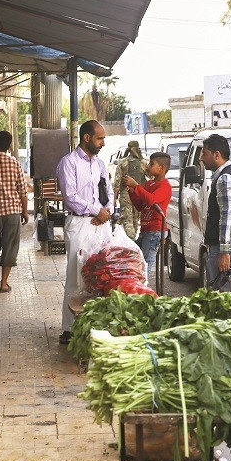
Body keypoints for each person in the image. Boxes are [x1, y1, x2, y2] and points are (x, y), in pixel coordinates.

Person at [56, 120, 113, 345]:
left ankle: (96, 324)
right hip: (79, 223)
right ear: (86, 138)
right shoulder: (68, 162)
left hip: (101, 223)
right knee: (75, 275)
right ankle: (69, 328)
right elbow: (70, 196)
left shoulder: (99, 163)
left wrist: (106, 210)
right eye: (99, 138)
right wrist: (95, 210)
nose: (103, 143)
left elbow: (108, 191)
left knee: (100, 274)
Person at [199, 134, 231, 291]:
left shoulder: (226, 178)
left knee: (226, 302)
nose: (201, 158)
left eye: (204, 153)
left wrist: (224, 252)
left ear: (216, 155)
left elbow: (226, 218)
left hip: (230, 250)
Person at [0, 130, 29, 293]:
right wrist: (25, 212)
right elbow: (22, 190)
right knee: (10, 246)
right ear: (9, 146)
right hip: (12, 212)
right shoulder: (15, 164)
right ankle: (4, 283)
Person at [123, 152, 172, 280]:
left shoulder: (165, 186)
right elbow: (141, 205)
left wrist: (136, 185)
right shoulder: (150, 184)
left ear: (161, 168)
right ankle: (137, 287)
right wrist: (132, 191)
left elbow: (152, 200)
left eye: (151, 164)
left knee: (145, 265)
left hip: (155, 231)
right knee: (135, 260)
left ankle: (142, 291)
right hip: (145, 230)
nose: (148, 166)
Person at [113, 141, 148, 240]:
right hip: (138, 193)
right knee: (135, 220)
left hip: (125, 194)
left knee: (127, 219)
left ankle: (131, 239)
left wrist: (114, 198)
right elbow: (151, 176)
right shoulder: (144, 163)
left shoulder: (123, 162)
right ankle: (133, 239)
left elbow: (117, 182)